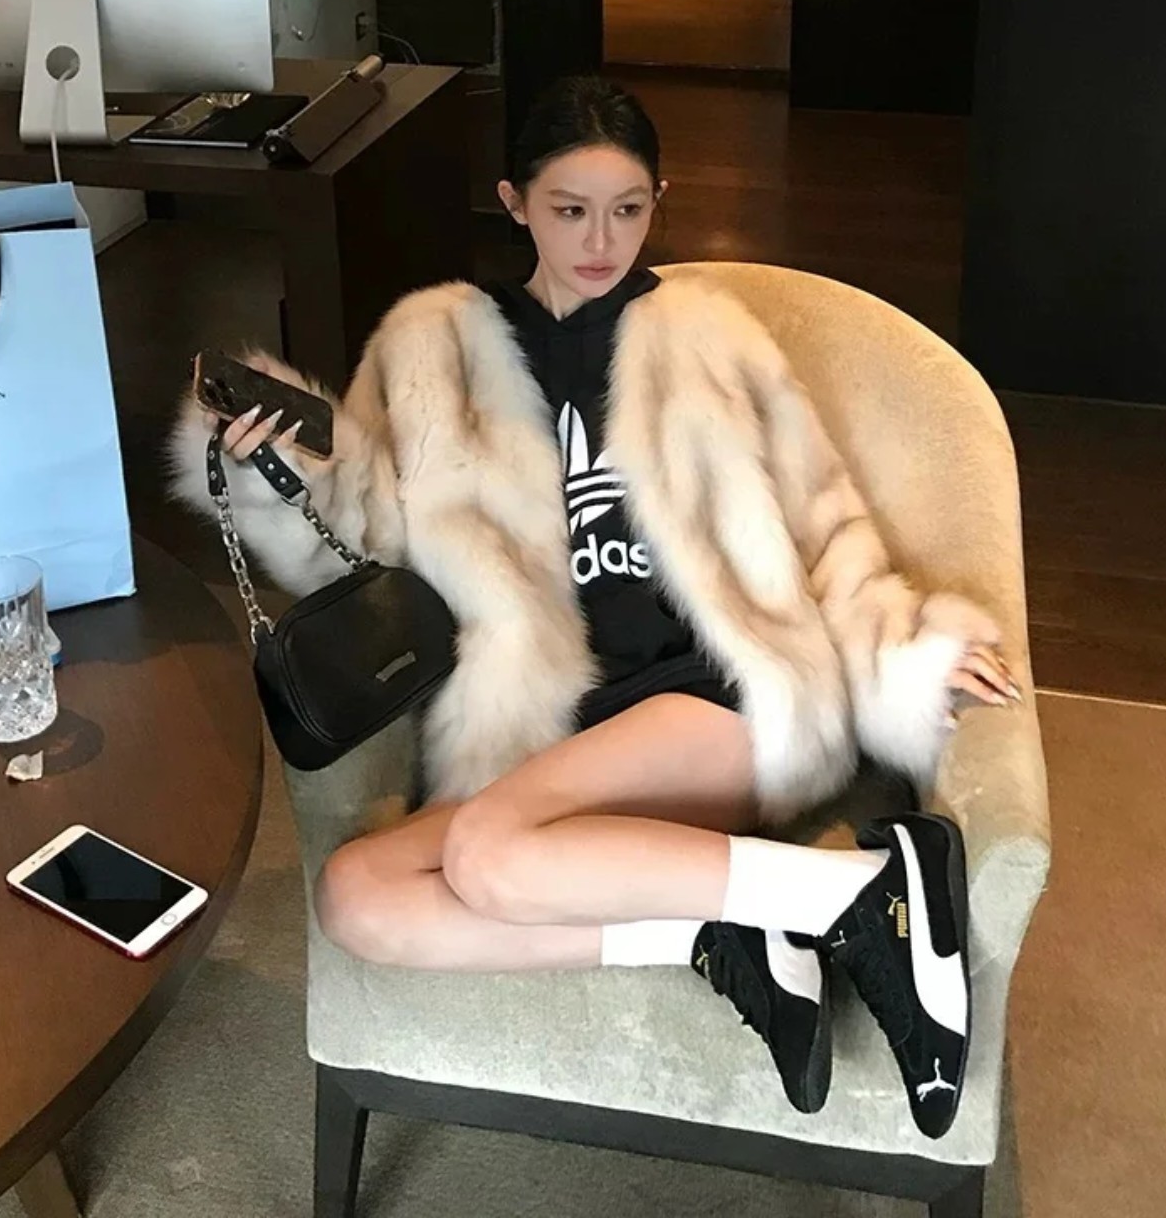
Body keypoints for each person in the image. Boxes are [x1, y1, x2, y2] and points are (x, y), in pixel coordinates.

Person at [171, 75, 1020, 1139]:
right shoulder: (433, 344)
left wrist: (906, 654)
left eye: (628, 209)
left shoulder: (711, 337)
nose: (600, 240)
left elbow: (824, 520)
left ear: (660, 199)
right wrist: (282, 470)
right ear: (514, 201)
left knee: (484, 855)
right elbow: (370, 540)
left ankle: (869, 892)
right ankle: (733, 928)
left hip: (706, 701)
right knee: (357, 896)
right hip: (539, 736)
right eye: (569, 209)